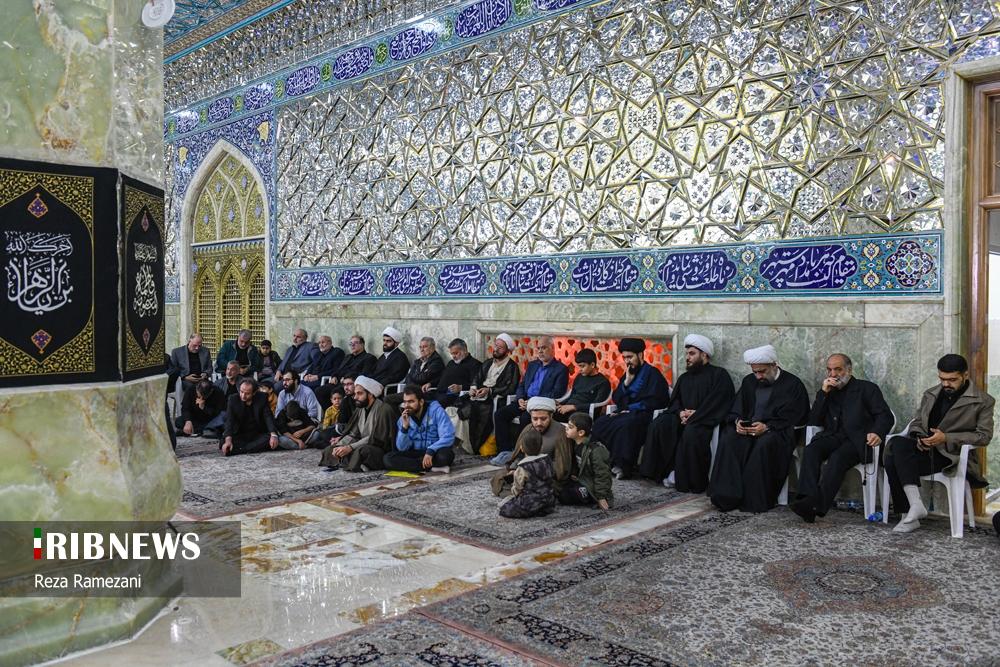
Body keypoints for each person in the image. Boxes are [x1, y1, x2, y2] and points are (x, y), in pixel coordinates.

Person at [884, 354, 995, 533]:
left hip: (951, 457)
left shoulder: (983, 401)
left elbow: (984, 436)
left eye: (952, 380)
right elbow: (917, 422)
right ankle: (915, 506)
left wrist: (946, 438)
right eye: (942, 379)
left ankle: (908, 515)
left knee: (893, 459)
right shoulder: (931, 394)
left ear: (965, 376)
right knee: (896, 444)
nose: (946, 384)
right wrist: (920, 437)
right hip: (925, 450)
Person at [791, 353, 894, 523]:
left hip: (858, 440)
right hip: (833, 436)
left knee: (837, 458)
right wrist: (823, 394)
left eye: (838, 369)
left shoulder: (867, 388)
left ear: (849, 370)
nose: (833, 374)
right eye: (829, 370)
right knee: (811, 450)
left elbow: (885, 416)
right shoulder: (828, 391)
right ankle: (805, 499)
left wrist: (877, 432)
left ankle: (816, 506)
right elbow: (814, 420)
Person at [708, 345, 809, 513]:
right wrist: (739, 422)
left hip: (778, 431)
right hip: (750, 429)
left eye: (762, 371)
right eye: (755, 372)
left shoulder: (793, 384)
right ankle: (726, 496)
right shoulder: (749, 381)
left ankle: (753, 500)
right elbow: (737, 408)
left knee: (764, 444)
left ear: (774, 365)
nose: (758, 376)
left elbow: (797, 417)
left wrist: (767, 427)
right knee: (729, 438)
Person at [639, 334, 735, 491]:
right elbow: (675, 401)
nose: (687, 357)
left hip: (704, 419)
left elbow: (719, 402)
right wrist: (680, 413)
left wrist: (696, 415)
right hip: (683, 418)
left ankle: (684, 478)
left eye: (692, 354)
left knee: (692, 432)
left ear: (704, 355)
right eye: (687, 354)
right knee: (659, 424)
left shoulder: (719, 375)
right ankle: (657, 472)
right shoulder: (684, 378)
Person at [592, 338, 670, 479]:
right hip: (625, 412)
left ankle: (623, 466)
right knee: (600, 422)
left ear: (640, 355)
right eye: (624, 357)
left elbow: (657, 400)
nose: (627, 361)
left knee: (626, 425)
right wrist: (626, 383)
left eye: (630, 357)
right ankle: (603, 461)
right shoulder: (628, 374)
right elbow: (617, 398)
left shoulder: (653, 374)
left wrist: (630, 408)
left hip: (644, 415)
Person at [491, 335, 569, 466]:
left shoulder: (561, 369)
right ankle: (504, 451)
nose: (540, 351)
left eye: (544, 348)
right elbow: (522, 385)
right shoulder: (532, 365)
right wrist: (520, 398)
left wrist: (533, 401)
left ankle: (521, 454)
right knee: (500, 414)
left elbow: (557, 393)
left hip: (541, 405)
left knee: (525, 418)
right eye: (538, 348)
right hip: (524, 401)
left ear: (552, 349)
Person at [490, 397, 573, 496]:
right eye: (535, 419)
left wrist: (531, 471)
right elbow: (520, 454)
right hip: (526, 472)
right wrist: (514, 469)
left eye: (543, 419)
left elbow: (562, 468)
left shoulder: (561, 433)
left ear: (551, 416)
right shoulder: (529, 429)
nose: (539, 423)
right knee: (499, 477)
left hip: (547, 478)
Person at [318, 375, 397, 472]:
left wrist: (350, 447)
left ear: (370, 394)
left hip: (377, 448)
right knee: (330, 449)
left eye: (359, 393)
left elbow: (375, 438)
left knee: (362, 452)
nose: (355, 397)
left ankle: (352, 461)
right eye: (355, 394)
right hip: (360, 444)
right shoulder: (361, 408)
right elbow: (353, 434)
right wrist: (340, 445)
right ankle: (355, 462)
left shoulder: (383, 409)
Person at [383, 385, 456, 473]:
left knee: (445, 456)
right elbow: (402, 448)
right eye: (405, 402)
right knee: (388, 459)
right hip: (416, 453)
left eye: (411, 402)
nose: (407, 406)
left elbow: (448, 436)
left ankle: (418, 466)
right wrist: (404, 428)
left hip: (434, 451)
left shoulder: (436, 411)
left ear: (421, 402)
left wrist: (431, 450)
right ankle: (431, 468)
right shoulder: (403, 418)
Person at [468, 333, 521, 454]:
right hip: (479, 396)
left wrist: (490, 391)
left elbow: (510, 388)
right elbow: (477, 377)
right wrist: (473, 388)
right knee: (464, 408)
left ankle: (479, 446)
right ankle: (469, 445)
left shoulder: (512, 367)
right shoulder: (487, 363)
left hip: (496, 399)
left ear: (507, 351)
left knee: (481, 411)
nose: (496, 349)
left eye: (500, 347)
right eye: (495, 345)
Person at [498, 429, 557, 519]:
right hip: (548, 500)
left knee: (503, 508)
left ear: (521, 448)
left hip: (530, 503)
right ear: (542, 447)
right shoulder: (547, 460)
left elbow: (517, 489)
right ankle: (541, 510)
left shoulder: (523, 467)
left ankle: (532, 511)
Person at [560, 412, 613, 509]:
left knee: (565, 496)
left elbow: (602, 475)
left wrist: (601, 497)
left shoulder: (596, 450)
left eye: (570, 427)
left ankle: (592, 498)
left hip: (592, 485)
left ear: (580, 433)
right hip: (582, 479)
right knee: (559, 488)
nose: (566, 428)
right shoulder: (574, 442)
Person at [314, 335, 377, 409]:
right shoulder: (348, 357)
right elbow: (338, 369)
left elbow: (364, 375)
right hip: (338, 383)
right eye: (351, 344)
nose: (352, 345)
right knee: (319, 391)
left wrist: (347, 379)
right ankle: (332, 412)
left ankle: (340, 413)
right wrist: (334, 376)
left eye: (355, 343)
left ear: (362, 344)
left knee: (336, 392)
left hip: (351, 385)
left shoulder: (369, 358)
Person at [221, 378, 280, 456]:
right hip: (240, 434)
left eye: (247, 393)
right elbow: (229, 421)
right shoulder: (233, 399)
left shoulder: (262, 397)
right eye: (241, 392)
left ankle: (241, 449)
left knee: (270, 438)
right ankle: (251, 448)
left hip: (257, 434)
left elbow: (268, 417)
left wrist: (273, 434)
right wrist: (228, 440)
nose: (243, 396)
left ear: (254, 393)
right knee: (223, 442)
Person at [384, 337, 445, 409]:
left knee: (388, 399)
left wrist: (412, 374)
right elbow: (408, 378)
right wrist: (414, 375)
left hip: (423, 393)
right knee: (387, 399)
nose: (422, 349)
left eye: (425, 347)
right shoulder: (418, 361)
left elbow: (422, 378)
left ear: (433, 347)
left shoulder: (437, 362)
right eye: (420, 347)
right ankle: (401, 415)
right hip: (411, 391)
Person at [553, 348, 611, 422]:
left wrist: (574, 407)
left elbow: (596, 405)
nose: (580, 369)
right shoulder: (579, 377)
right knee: (545, 412)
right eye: (579, 366)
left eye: (582, 366)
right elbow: (572, 396)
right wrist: (560, 404)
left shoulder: (603, 382)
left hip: (584, 413)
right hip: (568, 408)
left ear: (592, 365)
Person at [435, 338, 481, 408]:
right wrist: (430, 383)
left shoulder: (475, 364)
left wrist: (461, 387)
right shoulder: (451, 363)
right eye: (452, 354)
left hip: (457, 398)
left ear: (465, 350)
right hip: (440, 393)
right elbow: (442, 378)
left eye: (456, 353)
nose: (453, 356)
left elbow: (476, 385)